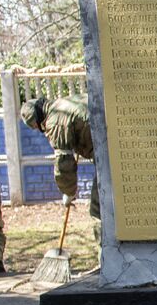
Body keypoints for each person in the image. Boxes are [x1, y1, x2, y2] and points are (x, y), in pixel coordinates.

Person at [20, 97, 99, 253]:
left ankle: (107, 261)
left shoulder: (55, 121)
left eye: (36, 127)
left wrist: (68, 192)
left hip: (110, 158)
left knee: (99, 211)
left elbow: (64, 164)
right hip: (117, 150)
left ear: (37, 121)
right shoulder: (67, 103)